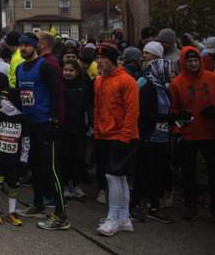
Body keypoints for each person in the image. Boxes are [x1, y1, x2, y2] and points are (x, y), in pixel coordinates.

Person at [12, 33, 68, 231]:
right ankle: (38, 204)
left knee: (51, 168)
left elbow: (57, 95)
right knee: (34, 166)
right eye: (21, 45)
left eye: (27, 45)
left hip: (46, 124)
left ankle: (62, 215)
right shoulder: (19, 69)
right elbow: (21, 95)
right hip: (29, 124)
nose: (23, 48)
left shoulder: (45, 66)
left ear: (35, 47)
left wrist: (54, 121)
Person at [93, 44, 139, 236]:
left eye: (103, 58)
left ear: (112, 59)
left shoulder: (127, 81)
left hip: (121, 136)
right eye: (98, 58)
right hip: (104, 135)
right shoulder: (99, 81)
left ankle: (114, 217)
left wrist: (124, 136)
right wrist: (97, 131)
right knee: (116, 177)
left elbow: (132, 111)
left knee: (114, 176)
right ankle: (123, 218)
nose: (99, 62)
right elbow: (98, 108)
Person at [169, 46, 215, 221]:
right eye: (189, 61)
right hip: (189, 134)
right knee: (188, 172)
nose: (193, 64)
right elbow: (173, 110)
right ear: (183, 62)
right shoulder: (177, 83)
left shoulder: (212, 78)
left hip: (210, 134)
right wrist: (177, 130)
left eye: (196, 60)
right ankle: (190, 205)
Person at [132, 57, 178, 224]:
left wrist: (176, 119)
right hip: (148, 137)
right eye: (169, 70)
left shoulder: (164, 89)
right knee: (144, 172)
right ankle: (136, 204)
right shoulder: (148, 89)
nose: (172, 73)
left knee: (159, 173)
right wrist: (171, 118)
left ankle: (154, 205)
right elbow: (146, 115)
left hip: (162, 138)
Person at [0, 88, 30, 226]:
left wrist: (24, 160)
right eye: (2, 98)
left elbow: (26, 141)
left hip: (14, 160)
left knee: (13, 185)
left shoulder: (22, 119)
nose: (3, 101)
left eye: (6, 99)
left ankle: (12, 212)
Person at [57, 59, 92, 201]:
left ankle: (77, 185)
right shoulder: (59, 86)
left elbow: (88, 106)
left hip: (79, 127)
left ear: (77, 72)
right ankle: (65, 186)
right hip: (63, 127)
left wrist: (90, 124)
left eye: (71, 70)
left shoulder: (83, 86)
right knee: (64, 157)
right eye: (65, 70)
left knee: (78, 157)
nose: (68, 73)